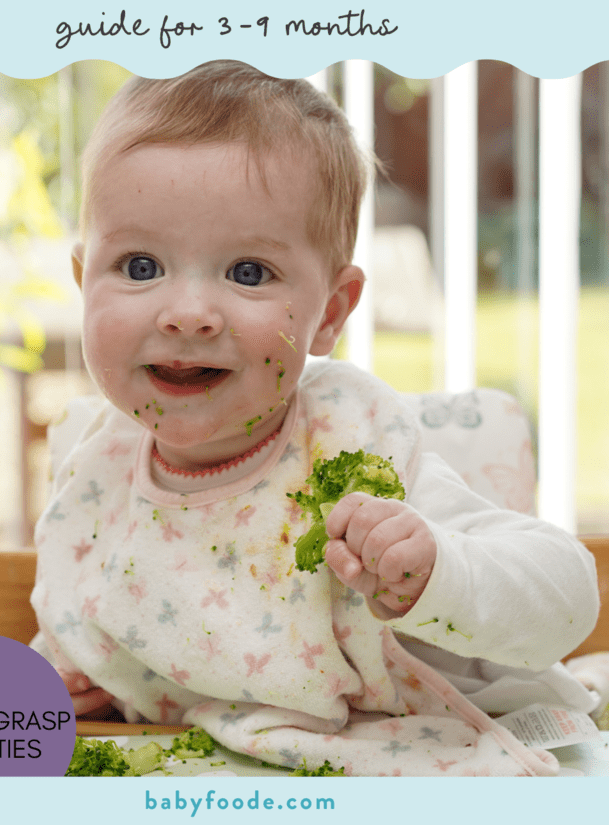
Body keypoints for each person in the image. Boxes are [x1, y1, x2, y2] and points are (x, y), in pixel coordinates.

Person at [32, 61, 599, 776]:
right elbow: (96, 623)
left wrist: (433, 572)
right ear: (84, 281)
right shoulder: (96, 466)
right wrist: (64, 682)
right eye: (141, 266)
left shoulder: (354, 452)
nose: (186, 314)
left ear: (330, 313)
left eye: (247, 273)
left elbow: (568, 597)